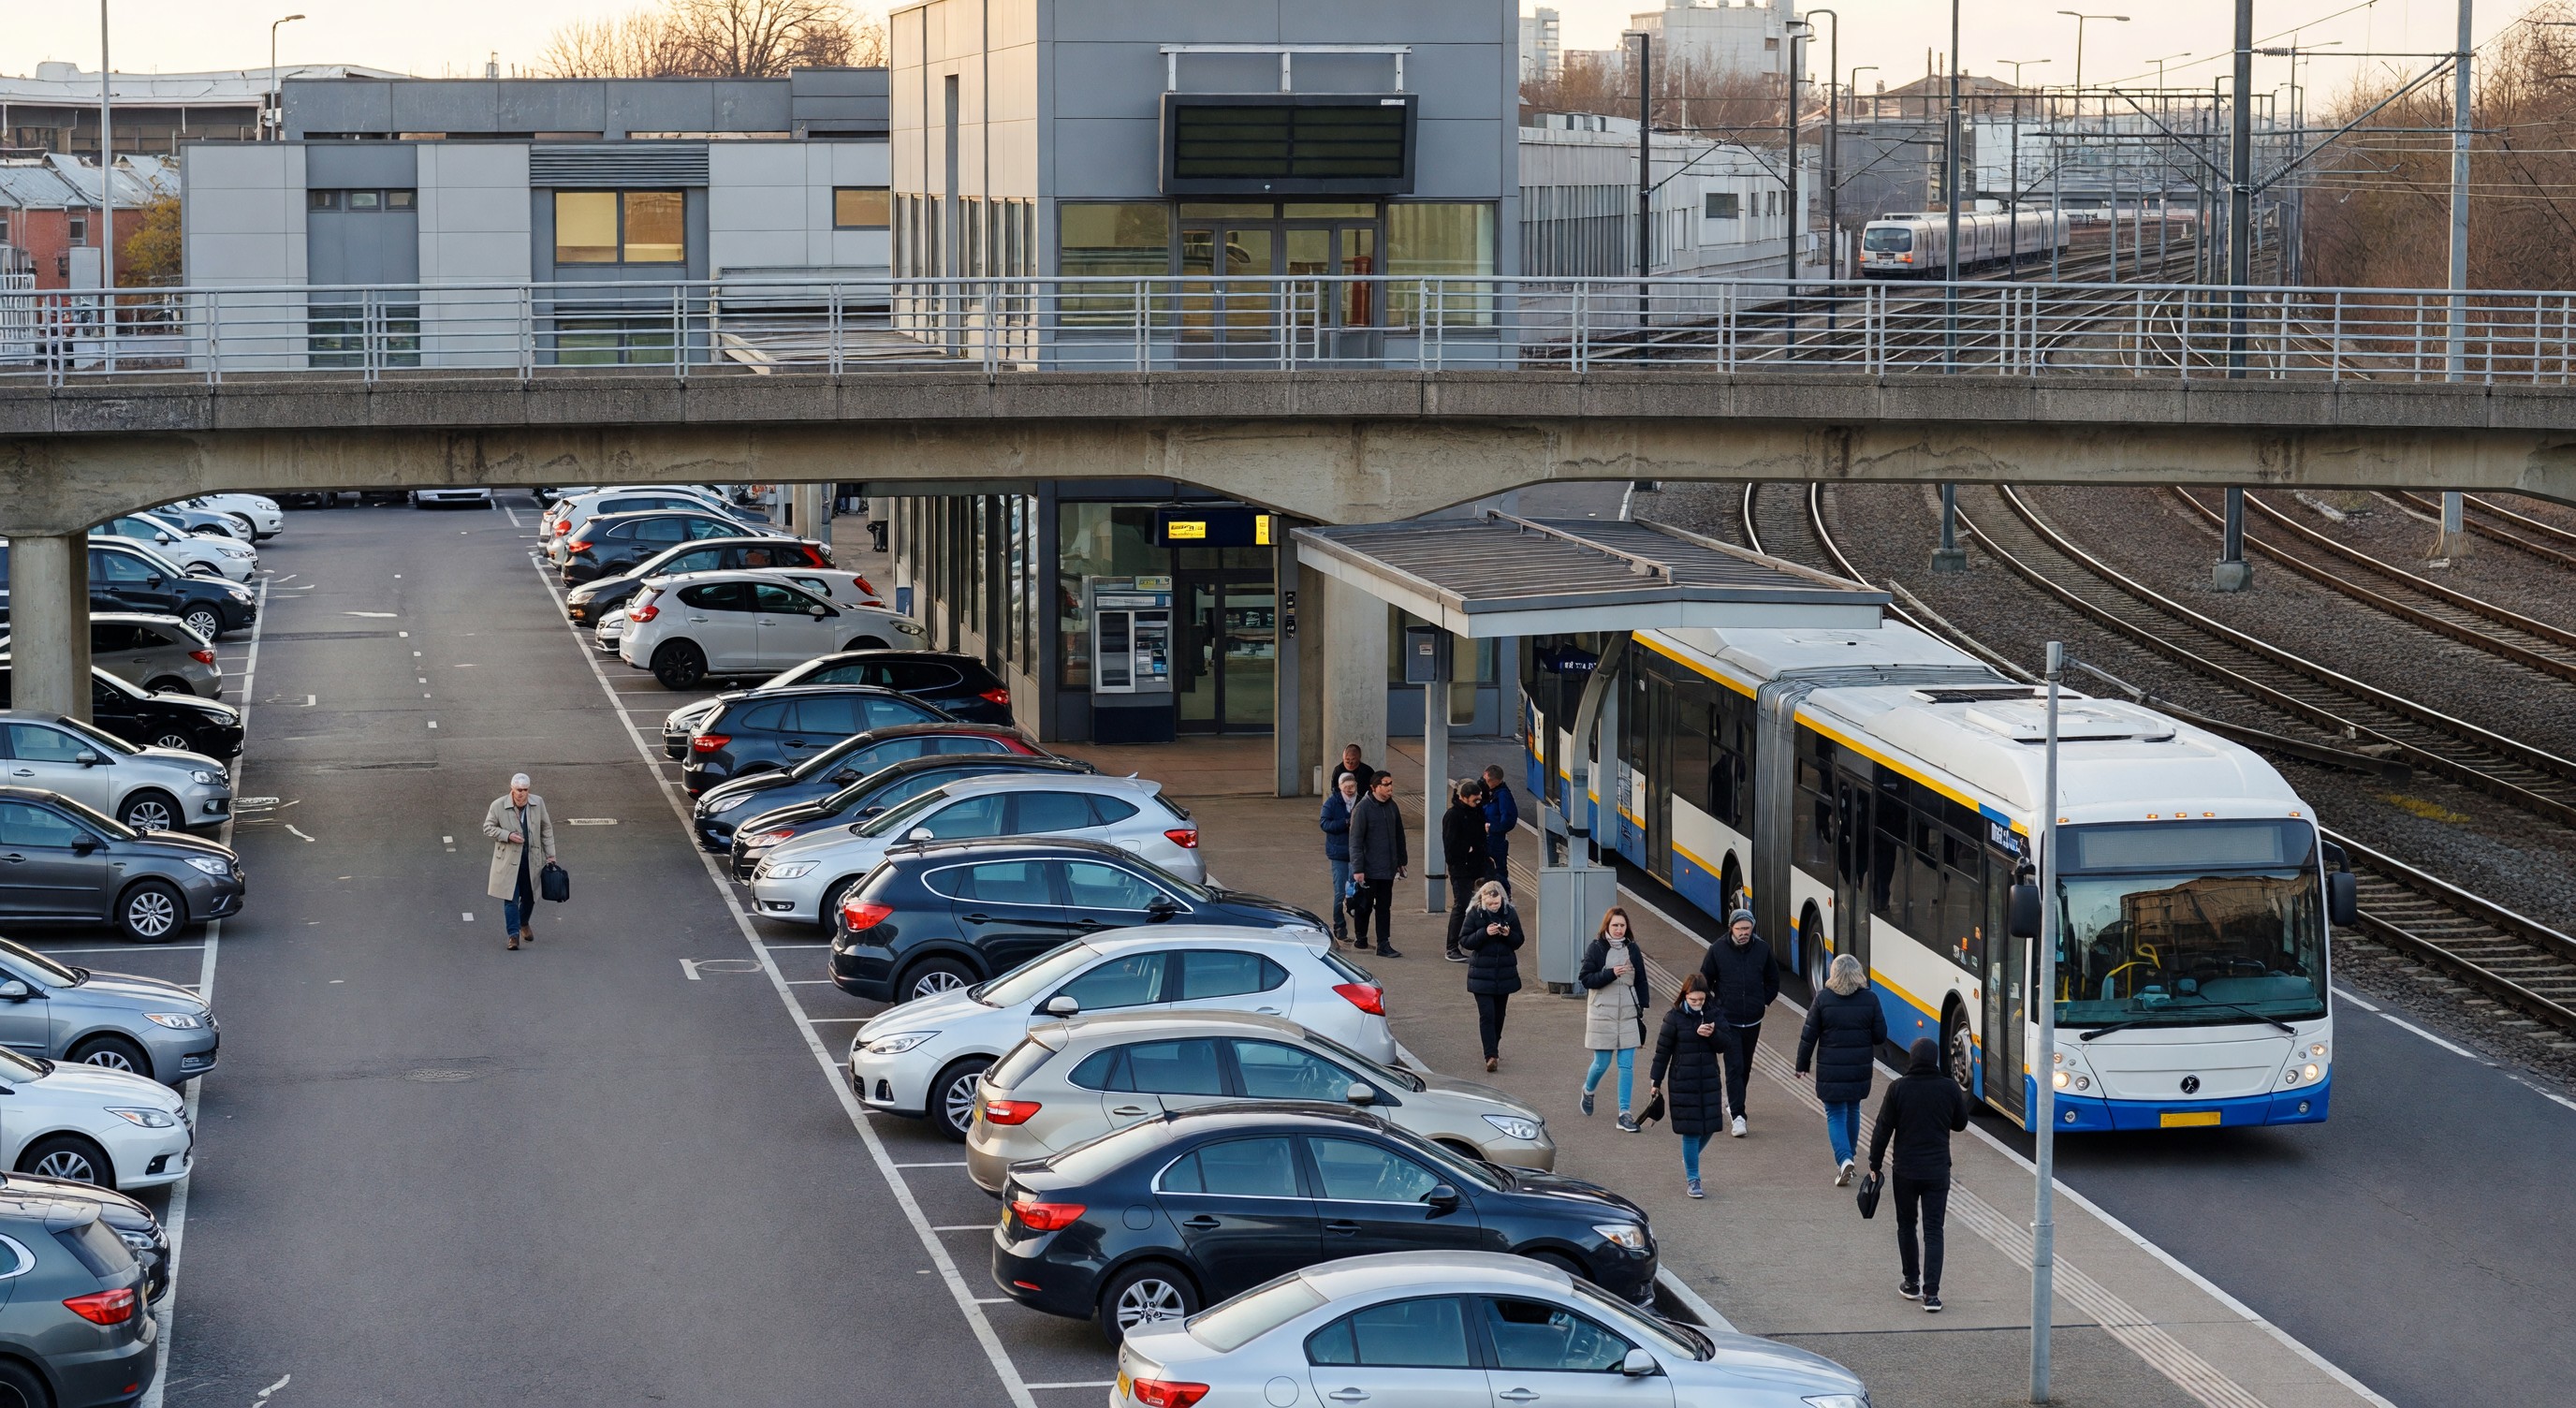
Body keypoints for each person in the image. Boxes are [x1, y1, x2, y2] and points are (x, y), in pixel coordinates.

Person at [1866, 1036, 1972, 1313]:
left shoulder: (1898, 1088)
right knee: (1934, 1231)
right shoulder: (1948, 1088)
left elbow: (1882, 1130)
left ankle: (1911, 1283)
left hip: (1905, 1170)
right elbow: (1960, 1124)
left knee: (1906, 1226)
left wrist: (1874, 1164)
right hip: (1937, 1170)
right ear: (1935, 1059)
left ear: (1912, 1058)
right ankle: (1932, 1295)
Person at [1795, 953, 1889, 1186]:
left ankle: (1844, 1159)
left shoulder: (1823, 999)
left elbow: (1809, 1035)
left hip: (1831, 1070)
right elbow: (1880, 1036)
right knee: (1853, 1109)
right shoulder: (1870, 999)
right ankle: (1850, 1157)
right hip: (1859, 1069)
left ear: (1834, 973)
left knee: (1835, 1113)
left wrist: (1802, 1065)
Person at [1650, 973, 1735, 1198]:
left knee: (1710, 1126)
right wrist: (1655, 1082)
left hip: (1708, 1079)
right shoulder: (1674, 1018)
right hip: (1682, 1081)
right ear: (1684, 996)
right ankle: (1693, 1179)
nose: (1698, 1004)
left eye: (1701, 1000)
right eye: (1693, 1000)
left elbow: (1726, 1043)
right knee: (1691, 1130)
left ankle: (1690, 1158)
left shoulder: (1714, 1014)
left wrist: (1712, 1034)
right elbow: (1662, 1052)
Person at [1697, 909, 1780, 1137]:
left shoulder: (1762, 949)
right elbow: (1704, 982)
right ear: (1731, 928)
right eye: (1739, 928)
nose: (1744, 933)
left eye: (1747, 928)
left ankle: (1734, 1102)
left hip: (1753, 1021)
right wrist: (1713, 1011)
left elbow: (1774, 980)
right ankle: (1738, 1115)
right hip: (1728, 1021)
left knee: (1745, 1066)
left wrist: (1763, 1001)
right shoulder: (1717, 950)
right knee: (1733, 1066)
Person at [1578, 906, 1650, 1130]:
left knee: (1626, 1065)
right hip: (1602, 1014)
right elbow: (1586, 979)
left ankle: (1624, 1114)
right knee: (1602, 1063)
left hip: (1628, 1014)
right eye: (1614, 925)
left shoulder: (1633, 949)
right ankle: (1588, 1091)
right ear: (1607, 927)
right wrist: (1611, 973)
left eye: (1622, 925)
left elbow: (1641, 979)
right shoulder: (1597, 948)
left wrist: (1642, 1007)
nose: (1619, 930)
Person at [481, 772, 557, 952]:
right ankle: (513, 935)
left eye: (525, 790)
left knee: (530, 897)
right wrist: (507, 835)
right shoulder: (498, 805)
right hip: (508, 860)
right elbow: (488, 828)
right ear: (511, 789)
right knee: (510, 898)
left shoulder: (538, 803)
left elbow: (546, 828)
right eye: (518, 790)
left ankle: (523, 922)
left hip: (531, 859)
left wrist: (551, 854)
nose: (522, 794)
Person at [1456, 880, 1523, 1072]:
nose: (1495, 907)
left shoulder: (1510, 913)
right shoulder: (1475, 914)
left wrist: (1508, 934)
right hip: (1481, 974)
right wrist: (1484, 933)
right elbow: (1464, 941)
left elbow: (1519, 940)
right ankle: (1491, 1055)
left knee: (1499, 1015)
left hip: (1504, 972)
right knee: (1487, 1014)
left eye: (1497, 903)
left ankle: (1494, 1046)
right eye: (1491, 904)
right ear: (1483, 901)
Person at [1345, 770, 1407, 958]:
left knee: (1383, 907)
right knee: (1364, 905)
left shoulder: (1392, 807)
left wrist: (1401, 861)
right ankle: (1361, 937)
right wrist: (1358, 869)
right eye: (1385, 784)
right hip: (1369, 869)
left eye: (1391, 783)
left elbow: (1399, 836)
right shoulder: (1362, 809)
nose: (1390, 788)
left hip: (1387, 869)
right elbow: (1355, 841)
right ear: (1374, 787)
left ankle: (1383, 943)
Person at [1440, 778, 1491, 962]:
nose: (1478, 803)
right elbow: (1450, 846)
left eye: (1479, 799)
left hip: (1477, 866)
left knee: (1477, 906)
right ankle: (1452, 947)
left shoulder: (1476, 812)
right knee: (1461, 905)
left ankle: (1472, 942)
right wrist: (1467, 848)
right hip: (1461, 868)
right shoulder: (1453, 816)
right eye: (1475, 800)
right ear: (1463, 798)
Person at [1319, 772, 1360, 946]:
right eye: (1346, 788)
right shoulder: (1332, 802)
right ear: (1340, 787)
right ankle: (1339, 926)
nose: (1350, 791)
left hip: (1357, 853)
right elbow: (1324, 824)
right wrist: (1344, 823)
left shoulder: (1362, 801)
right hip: (1338, 854)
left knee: (1356, 892)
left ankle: (1359, 929)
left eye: (1352, 787)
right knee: (1340, 892)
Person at [1481, 764, 1521, 895]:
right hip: (1486, 839)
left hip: (1496, 840)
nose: (1484, 782)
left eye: (1486, 780)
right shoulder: (1490, 793)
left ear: (1494, 781)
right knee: (1486, 871)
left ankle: (1503, 897)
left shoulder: (1503, 796)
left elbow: (1508, 821)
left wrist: (1492, 828)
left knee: (1498, 872)